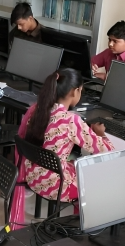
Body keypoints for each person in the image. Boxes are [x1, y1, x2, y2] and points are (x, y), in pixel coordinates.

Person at [11, 68, 114, 225]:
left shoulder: (38, 110)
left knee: (77, 164)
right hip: (55, 186)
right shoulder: (70, 121)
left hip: (33, 177)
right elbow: (108, 151)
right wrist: (101, 133)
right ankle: (79, 225)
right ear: (74, 91)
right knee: (94, 177)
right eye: (81, 91)